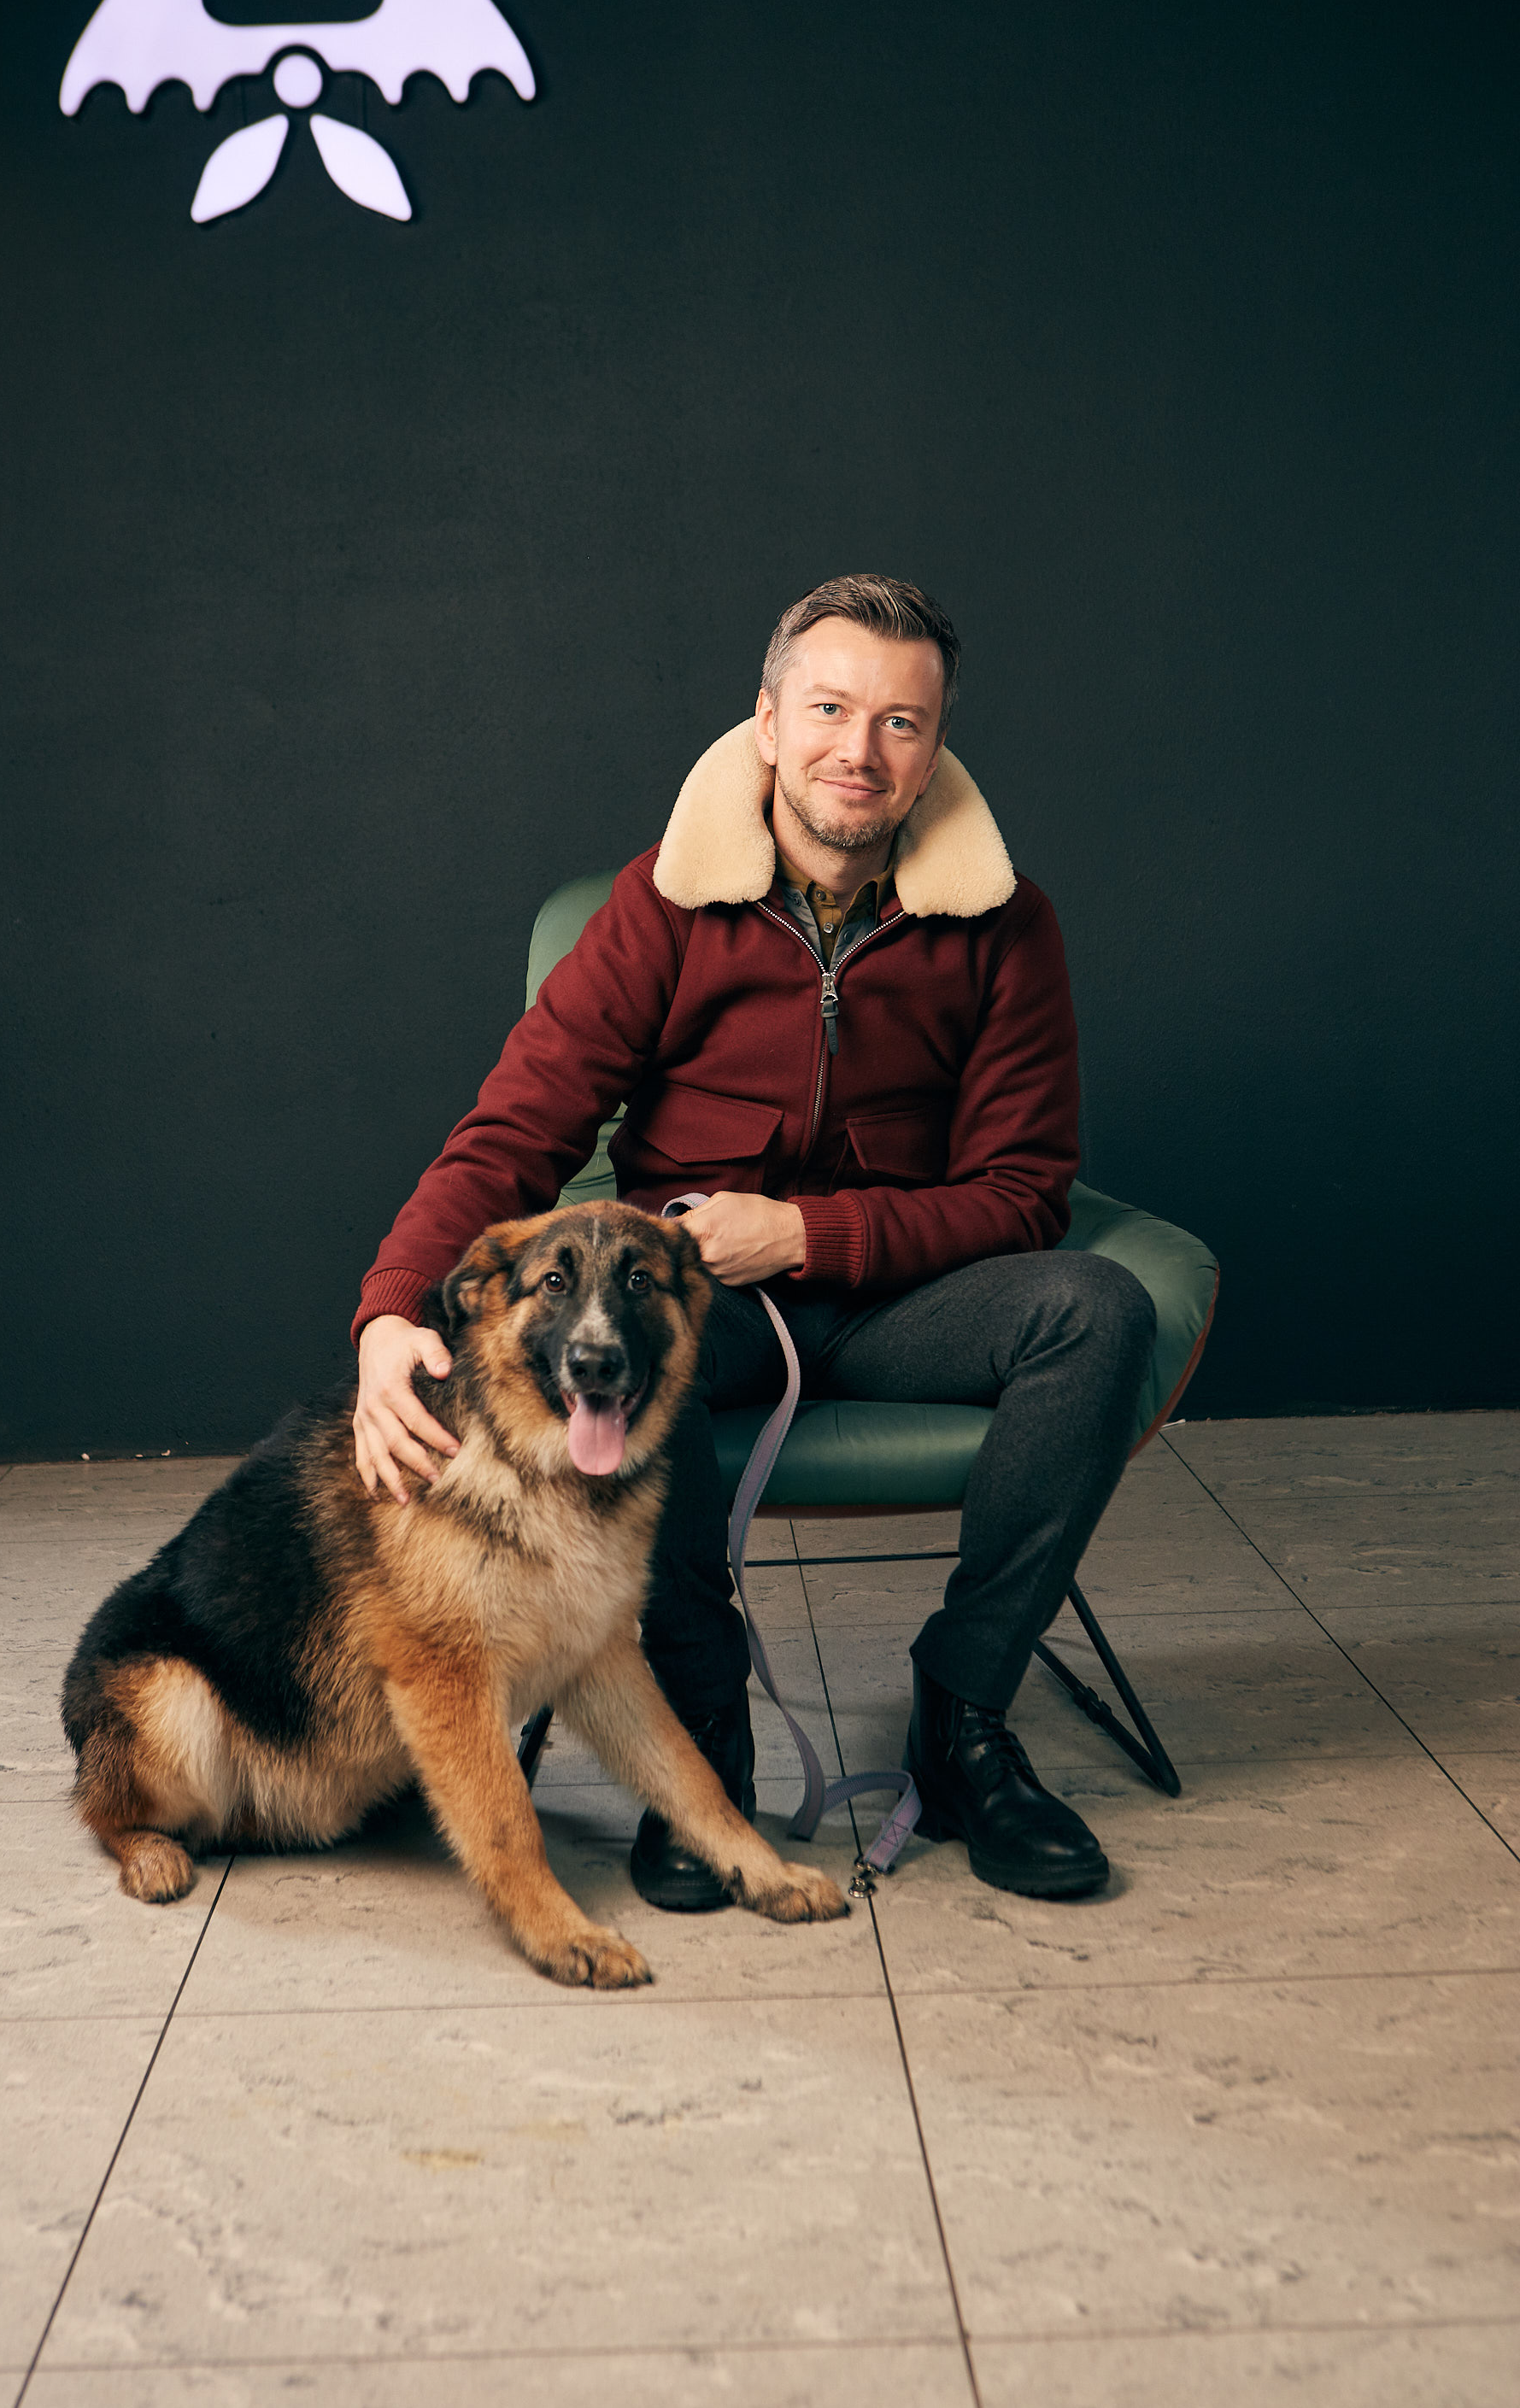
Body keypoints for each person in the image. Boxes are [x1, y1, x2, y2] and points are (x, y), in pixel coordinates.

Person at [350, 574, 1155, 1911]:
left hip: (905, 1297)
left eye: (901, 722)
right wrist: (390, 1309)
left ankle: (964, 1722)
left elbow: (1024, 1195)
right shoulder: (662, 906)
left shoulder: (1008, 925)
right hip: (699, 1303)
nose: (860, 750)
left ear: (934, 750)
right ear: (769, 723)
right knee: (625, 1359)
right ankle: (703, 1741)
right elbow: (517, 1131)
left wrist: (808, 1233)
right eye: (830, 709)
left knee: (1100, 1310)